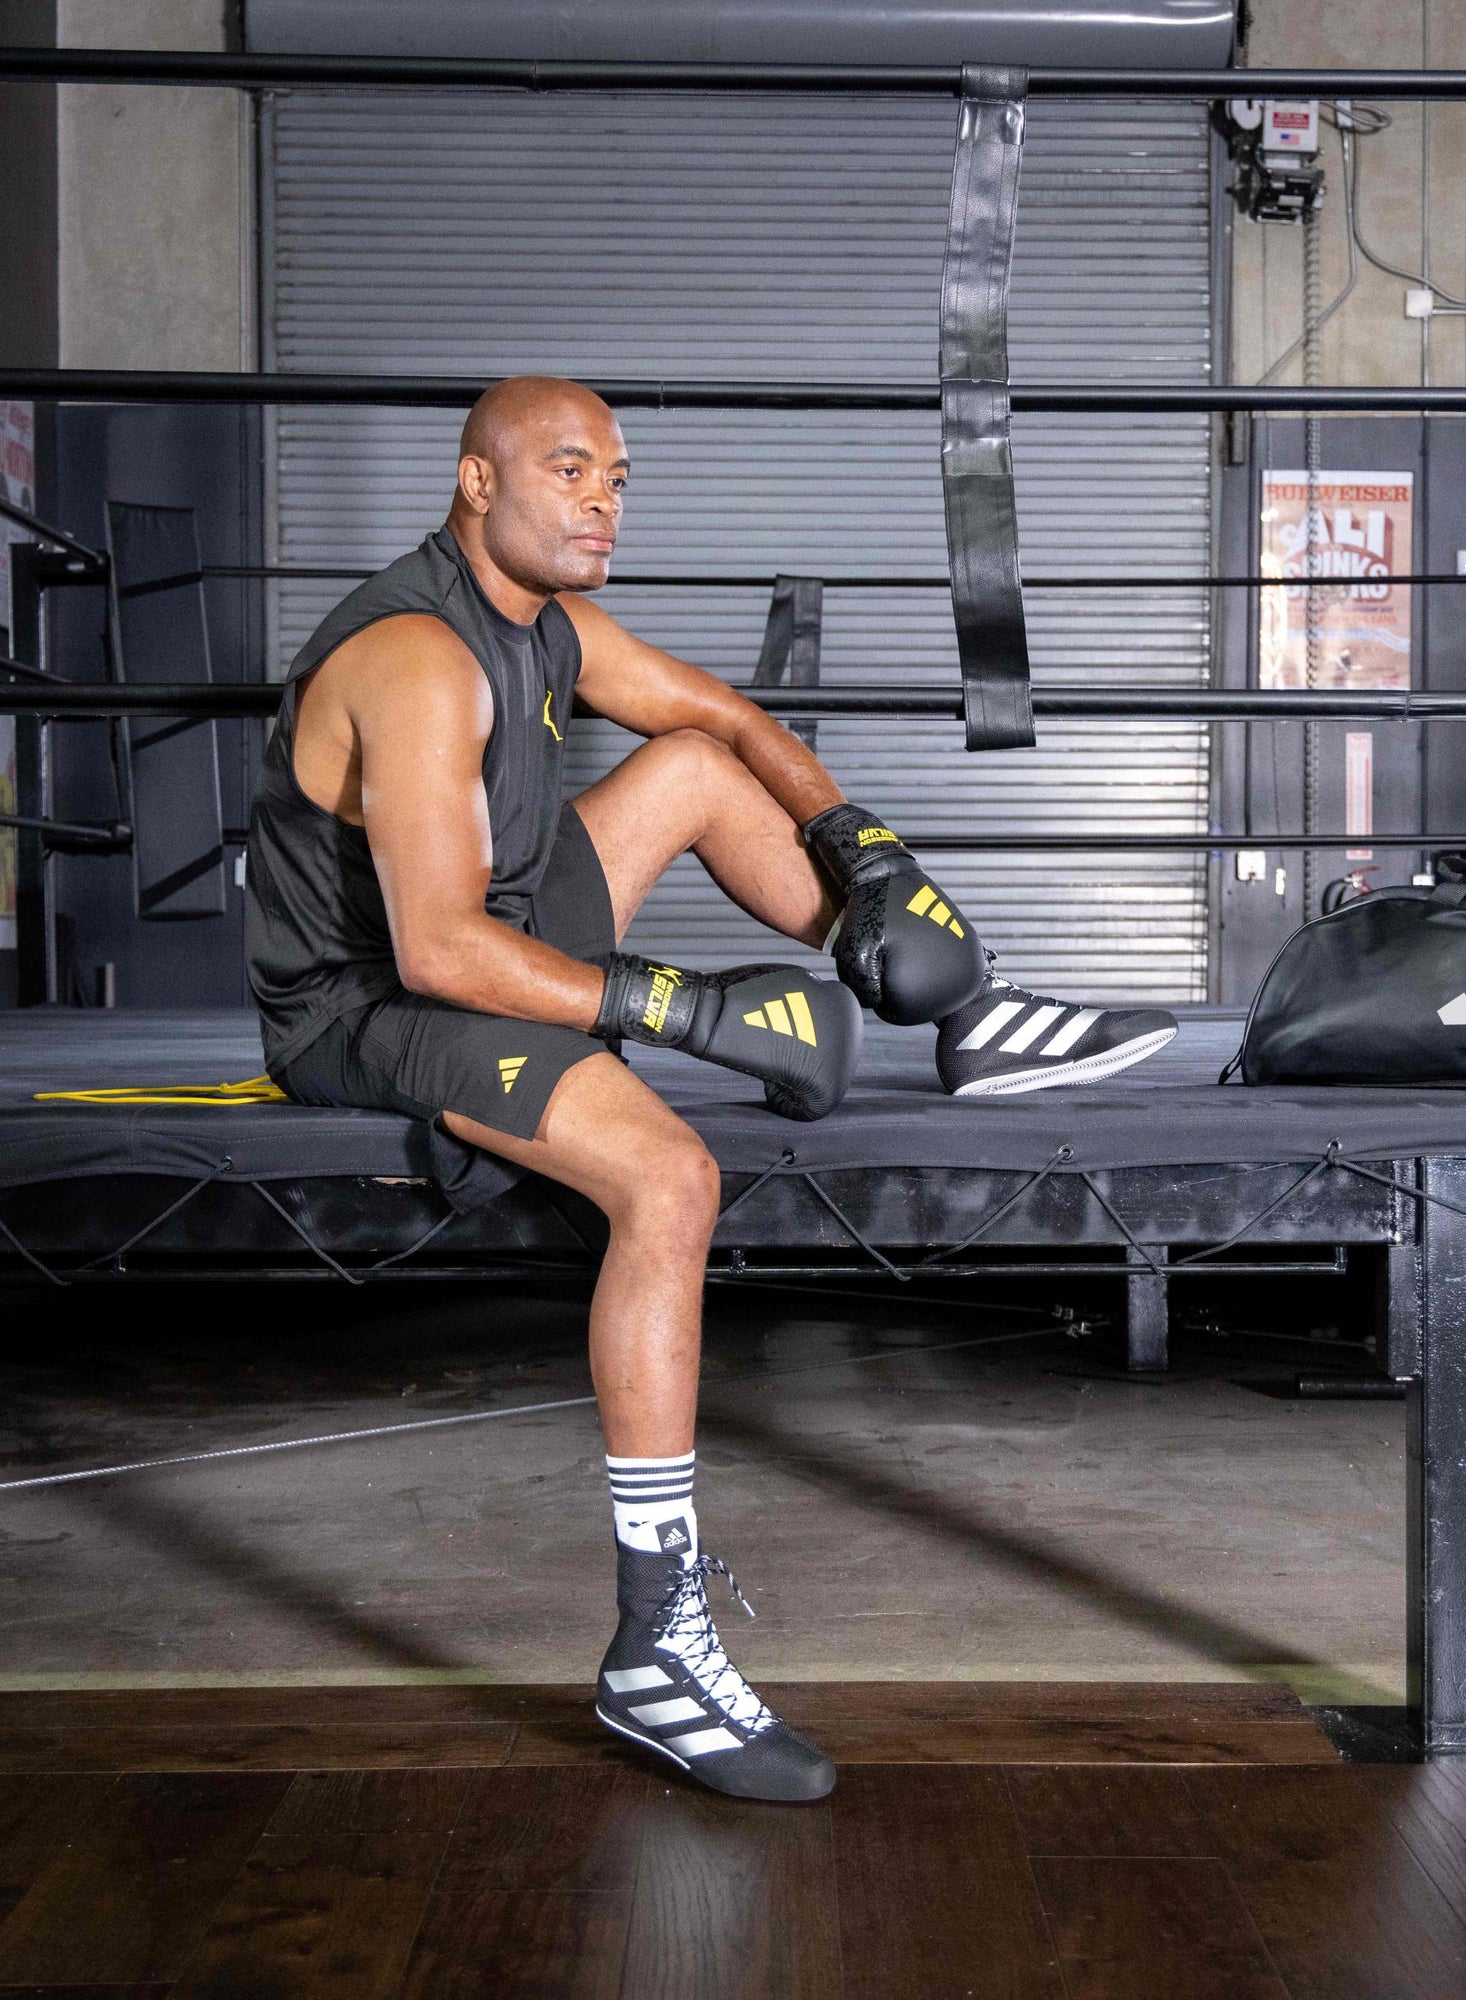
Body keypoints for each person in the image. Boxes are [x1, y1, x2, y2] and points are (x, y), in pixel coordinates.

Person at [243, 375, 1177, 1803]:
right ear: (479, 483)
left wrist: (865, 850)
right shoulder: (418, 657)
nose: (603, 500)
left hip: (499, 926)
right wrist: (686, 1010)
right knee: (669, 1177)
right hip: (372, 1003)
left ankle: (975, 1016)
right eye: (569, 470)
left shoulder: (550, 625)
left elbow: (727, 720)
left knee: (688, 764)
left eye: (616, 477)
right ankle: (653, 1648)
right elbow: (435, 950)